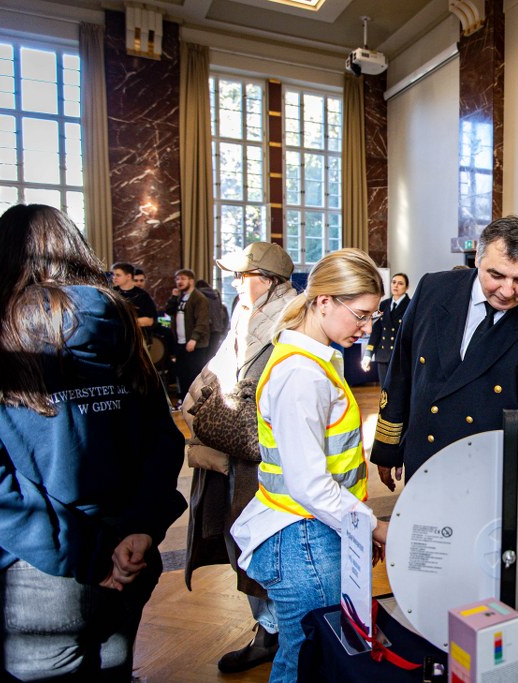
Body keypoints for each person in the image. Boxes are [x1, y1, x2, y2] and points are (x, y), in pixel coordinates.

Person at [0, 204, 186, 680]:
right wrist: (140, 528)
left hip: (40, 561)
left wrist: (85, 550)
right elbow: (163, 441)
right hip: (129, 549)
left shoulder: (0, 334)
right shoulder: (118, 326)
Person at [230, 248, 389, 683]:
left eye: (372, 316)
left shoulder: (314, 361)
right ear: (323, 302)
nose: (367, 328)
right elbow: (309, 484)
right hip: (301, 533)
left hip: (313, 528)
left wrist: (354, 528)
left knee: (312, 655)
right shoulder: (302, 374)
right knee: (307, 662)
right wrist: (371, 525)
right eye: (360, 315)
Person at [370, 215, 518, 488]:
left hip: (493, 475)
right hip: (425, 458)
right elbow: (401, 370)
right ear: (478, 260)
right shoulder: (433, 289)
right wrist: (388, 446)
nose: (507, 291)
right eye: (497, 275)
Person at [183, 242, 297, 674]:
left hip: (266, 456)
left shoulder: (290, 322)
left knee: (264, 545)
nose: (234, 283)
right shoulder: (247, 317)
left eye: (242, 276)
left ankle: (280, 633)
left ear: (268, 281)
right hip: (237, 450)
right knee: (241, 540)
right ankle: (269, 629)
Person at [165, 269, 212, 400]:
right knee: (181, 373)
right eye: (177, 279)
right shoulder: (180, 297)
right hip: (181, 342)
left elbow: (202, 321)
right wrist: (173, 297)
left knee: (193, 374)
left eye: (183, 279)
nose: (179, 282)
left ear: (191, 281)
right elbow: (169, 311)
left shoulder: (199, 298)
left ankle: (196, 401)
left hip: (195, 344)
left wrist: (194, 339)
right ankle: (183, 400)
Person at [362, 272, 411, 386]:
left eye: (400, 283)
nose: (396, 286)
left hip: (401, 357)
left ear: (406, 287)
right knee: (384, 391)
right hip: (383, 356)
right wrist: (368, 354)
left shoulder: (410, 305)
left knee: (399, 390)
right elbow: (377, 331)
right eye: (394, 282)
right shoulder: (383, 305)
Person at [112, 261, 156, 328]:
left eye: (118, 275)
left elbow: (150, 320)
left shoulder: (142, 295)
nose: (114, 277)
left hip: (136, 332)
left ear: (128, 276)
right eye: (113, 275)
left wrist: (124, 323)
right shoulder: (110, 293)